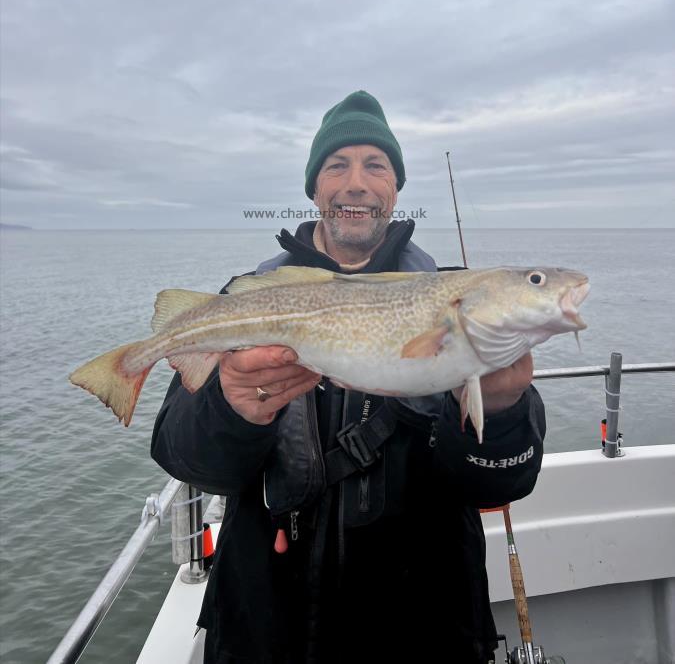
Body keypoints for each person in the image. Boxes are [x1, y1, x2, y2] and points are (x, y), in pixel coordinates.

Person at [151, 90, 545, 664]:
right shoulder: (248, 299)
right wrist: (231, 408)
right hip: (271, 622)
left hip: (424, 622)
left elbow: (501, 485)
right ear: (315, 189)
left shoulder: (456, 303)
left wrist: (505, 411)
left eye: (375, 165)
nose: (355, 183)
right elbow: (185, 459)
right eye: (337, 165)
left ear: (395, 189)